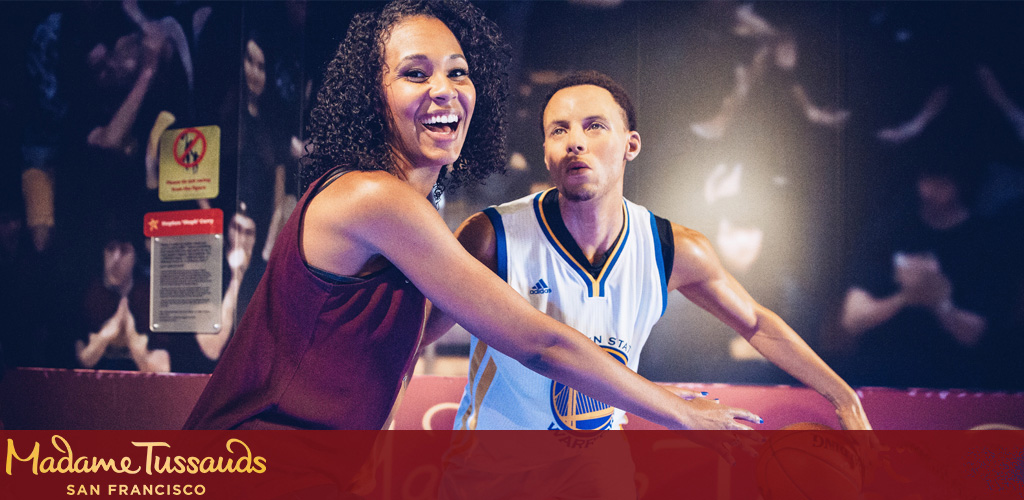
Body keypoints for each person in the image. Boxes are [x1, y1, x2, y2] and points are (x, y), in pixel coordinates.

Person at [184, 0, 759, 436]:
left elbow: (392, 353)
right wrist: (683, 413)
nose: (445, 89)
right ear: (371, 97)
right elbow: (540, 344)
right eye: (415, 73)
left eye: (459, 72)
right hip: (252, 465)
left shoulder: (408, 207)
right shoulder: (373, 199)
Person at [425, 70, 870, 431]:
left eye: (594, 126)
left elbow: (756, 322)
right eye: (558, 130)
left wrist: (842, 394)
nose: (574, 141)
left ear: (630, 145)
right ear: (546, 153)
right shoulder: (491, 237)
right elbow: (417, 336)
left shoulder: (672, 248)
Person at [835, 145, 1012, 389]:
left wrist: (941, 304)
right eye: (926, 178)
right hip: (881, 366)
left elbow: (975, 335)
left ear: (962, 183)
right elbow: (852, 318)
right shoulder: (891, 230)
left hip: (950, 373)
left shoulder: (985, 241)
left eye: (942, 181)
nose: (929, 190)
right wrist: (904, 297)